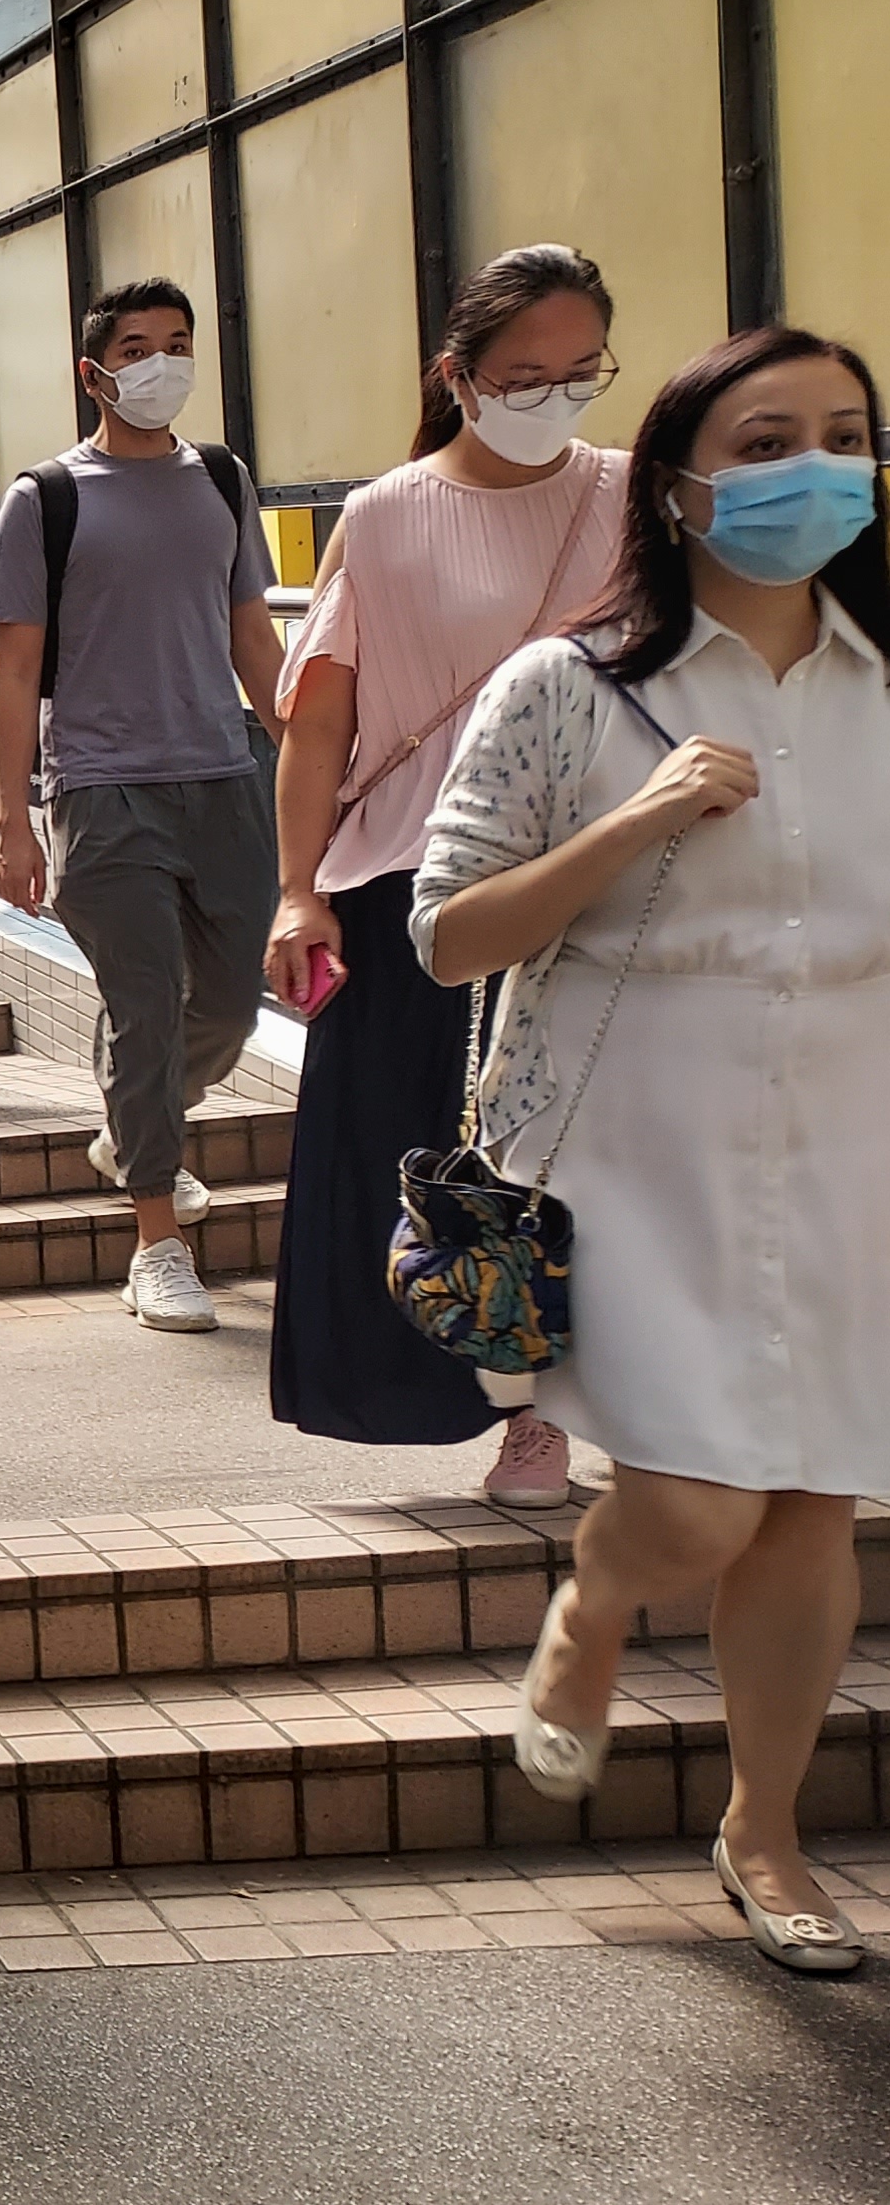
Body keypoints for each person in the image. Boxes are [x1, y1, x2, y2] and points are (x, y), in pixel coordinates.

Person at [417, 323, 890, 1975]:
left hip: (849, 1154)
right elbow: (448, 935)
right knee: (693, 1506)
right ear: (679, 483)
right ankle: (600, 1602)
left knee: (812, 1509)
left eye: (843, 434)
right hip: (625, 1159)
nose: (812, 468)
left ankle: (767, 1830)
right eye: (767, 441)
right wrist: (638, 817)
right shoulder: (568, 689)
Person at [265, 247, 628, 1501]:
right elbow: (322, 724)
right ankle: (500, 1410)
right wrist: (297, 885)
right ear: (459, 376)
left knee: (579, 1154)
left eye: (582, 372)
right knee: (433, 1160)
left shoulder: (635, 497)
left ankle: (569, 1412)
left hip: (596, 877)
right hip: (411, 887)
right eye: (527, 373)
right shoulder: (385, 512)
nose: (557, 396)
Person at [0, 279, 288, 1333]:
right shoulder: (46, 498)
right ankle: (157, 1238)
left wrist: (305, 758)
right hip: (103, 787)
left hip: (223, 775)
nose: (160, 364)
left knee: (233, 1004)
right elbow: (15, 673)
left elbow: (255, 633)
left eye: (177, 344)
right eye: (137, 347)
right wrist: (14, 819)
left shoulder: (222, 479)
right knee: (147, 1002)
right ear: (95, 372)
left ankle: (134, 1126)